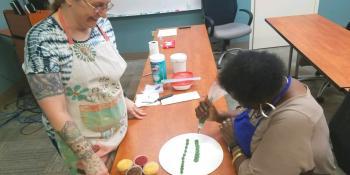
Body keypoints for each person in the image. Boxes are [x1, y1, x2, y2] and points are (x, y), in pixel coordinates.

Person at [22, 0, 146, 174]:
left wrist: (122, 100)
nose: (103, 13)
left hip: (118, 125)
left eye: (107, 5)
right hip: (85, 143)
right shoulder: (42, 40)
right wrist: (88, 158)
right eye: (97, 5)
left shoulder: (102, 25)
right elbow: (56, 112)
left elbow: (106, 76)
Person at [196, 51, 336, 175]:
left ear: (260, 101)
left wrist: (234, 145)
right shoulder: (277, 84)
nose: (240, 106)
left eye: (242, 102)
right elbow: (251, 114)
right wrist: (219, 116)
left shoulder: (293, 120)